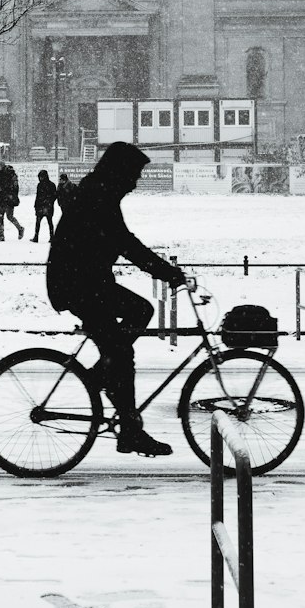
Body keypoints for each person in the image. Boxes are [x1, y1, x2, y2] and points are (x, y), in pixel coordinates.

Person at [46, 141, 185, 457]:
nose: (136, 182)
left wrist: (163, 270)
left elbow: (122, 242)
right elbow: (126, 244)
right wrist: (168, 272)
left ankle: (102, 375)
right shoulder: (100, 196)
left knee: (135, 322)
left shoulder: (101, 191)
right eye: (134, 174)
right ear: (120, 171)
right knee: (122, 355)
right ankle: (129, 429)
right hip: (79, 286)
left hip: (85, 282)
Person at [0, 158, 24, 241]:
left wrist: (11, 195)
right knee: (0, 218)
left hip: (7, 199)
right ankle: (1, 236)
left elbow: (14, 187)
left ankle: (20, 229)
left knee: (9, 216)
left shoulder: (9, 174)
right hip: (1, 199)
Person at [32, 169, 57, 242]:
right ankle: (51, 236)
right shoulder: (51, 184)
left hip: (43, 206)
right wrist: (50, 202)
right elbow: (54, 196)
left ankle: (37, 237)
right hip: (46, 206)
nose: (40, 178)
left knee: (40, 222)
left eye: (41, 177)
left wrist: (37, 204)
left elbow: (39, 196)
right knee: (49, 222)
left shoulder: (42, 185)